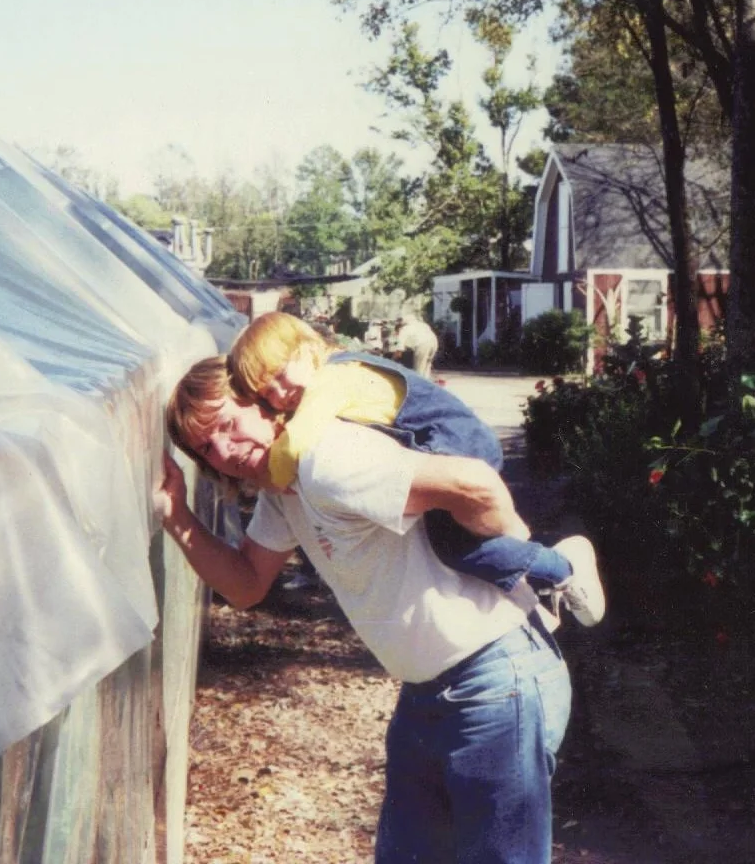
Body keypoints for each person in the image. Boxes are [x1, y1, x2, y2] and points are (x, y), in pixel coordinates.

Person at [155, 355, 573, 863]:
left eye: (227, 424)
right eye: (205, 447)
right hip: (427, 694)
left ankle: (572, 564)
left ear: (265, 401)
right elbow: (246, 585)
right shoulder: (284, 490)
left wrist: (521, 556)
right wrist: (177, 517)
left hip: (494, 680)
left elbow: (475, 484)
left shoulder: (327, 460)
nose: (223, 450)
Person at [229, 311, 604, 626]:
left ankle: (560, 568)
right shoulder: (333, 374)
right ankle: (534, 592)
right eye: (266, 394)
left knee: (457, 550)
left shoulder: (332, 379)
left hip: (457, 446)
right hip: (445, 445)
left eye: (279, 375)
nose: (278, 394)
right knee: (460, 547)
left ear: (307, 347)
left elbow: (295, 442)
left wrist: (264, 479)